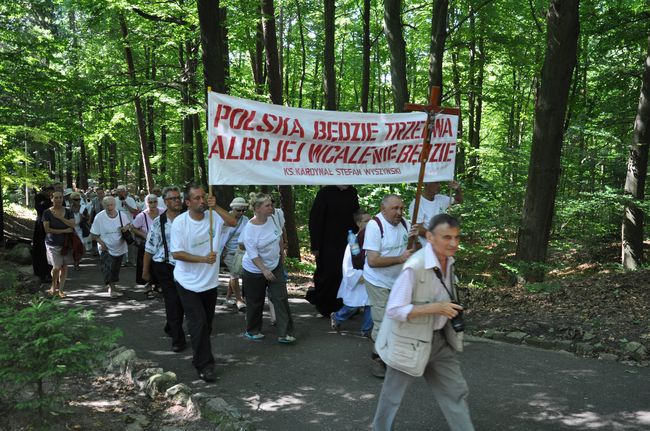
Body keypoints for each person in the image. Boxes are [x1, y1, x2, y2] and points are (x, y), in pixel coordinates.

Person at [372, 214, 474, 431]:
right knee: (392, 397)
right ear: (430, 237)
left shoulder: (449, 261)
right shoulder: (415, 266)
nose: (453, 243)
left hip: (439, 340)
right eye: (447, 237)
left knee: (455, 392)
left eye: (457, 237)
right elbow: (394, 310)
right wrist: (436, 308)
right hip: (408, 342)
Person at [170, 184, 236, 382]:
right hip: (187, 282)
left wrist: (215, 207)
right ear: (188, 202)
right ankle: (205, 366)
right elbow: (176, 253)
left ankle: (199, 354)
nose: (201, 201)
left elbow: (232, 222)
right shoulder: (180, 223)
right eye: (197, 198)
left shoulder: (213, 216)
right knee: (198, 323)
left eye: (203, 197)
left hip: (209, 282)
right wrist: (202, 259)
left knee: (206, 325)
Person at [364, 194, 416, 378]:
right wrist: (399, 259)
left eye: (401, 208)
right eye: (395, 208)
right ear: (383, 208)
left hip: (398, 281)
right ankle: (378, 359)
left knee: (399, 318)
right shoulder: (374, 226)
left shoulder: (405, 224)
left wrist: (415, 240)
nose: (399, 212)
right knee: (383, 319)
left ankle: (393, 353)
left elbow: (412, 251)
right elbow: (372, 261)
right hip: (377, 280)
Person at [240, 193, 295, 344]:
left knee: (280, 297)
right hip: (254, 270)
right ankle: (252, 331)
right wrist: (264, 270)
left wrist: (282, 253)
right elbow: (253, 254)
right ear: (257, 209)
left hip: (275, 265)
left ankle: (285, 333)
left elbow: (278, 237)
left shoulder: (273, 217)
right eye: (267, 205)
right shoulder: (249, 229)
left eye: (271, 204)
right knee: (255, 301)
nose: (272, 207)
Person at [142, 186, 186, 352]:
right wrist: (145, 271)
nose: (177, 201)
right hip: (164, 265)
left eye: (178, 198)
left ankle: (170, 326)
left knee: (182, 300)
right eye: (173, 199)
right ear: (166, 202)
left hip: (186, 266)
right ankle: (177, 339)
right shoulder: (158, 222)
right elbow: (150, 247)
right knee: (172, 300)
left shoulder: (189, 219)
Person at [308, 185, 360, 317]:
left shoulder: (352, 192)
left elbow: (356, 215)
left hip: (348, 240)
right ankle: (325, 307)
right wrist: (315, 246)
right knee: (328, 274)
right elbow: (315, 219)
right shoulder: (325, 193)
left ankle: (346, 306)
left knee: (347, 273)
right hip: (327, 242)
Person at [330, 210, 373, 337]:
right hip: (358, 278)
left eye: (371, 221)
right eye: (367, 221)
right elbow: (349, 263)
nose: (370, 224)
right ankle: (337, 317)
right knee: (352, 306)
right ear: (359, 223)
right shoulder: (353, 241)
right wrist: (358, 276)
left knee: (371, 305)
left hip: (370, 278)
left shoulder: (373, 239)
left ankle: (366, 330)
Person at [90, 196, 131, 298]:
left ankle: (113, 286)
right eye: (107, 205)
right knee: (109, 268)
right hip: (106, 248)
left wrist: (125, 228)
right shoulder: (99, 217)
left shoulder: (122, 215)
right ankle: (111, 289)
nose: (110, 207)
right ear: (103, 206)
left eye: (111, 204)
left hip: (120, 247)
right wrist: (102, 243)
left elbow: (129, 225)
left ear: (115, 204)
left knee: (116, 268)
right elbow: (94, 234)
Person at [42, 190, 76, 297]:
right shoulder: (47, 212)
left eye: (60, 197)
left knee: (64, 267)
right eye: (56, 197)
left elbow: (73, 224)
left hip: (66, 243)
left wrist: (60, 218)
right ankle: (53, 286)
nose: (58, 200)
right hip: (52, 243)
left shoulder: (68, 211)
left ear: (63, 199)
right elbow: (47, 229)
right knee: (56, 267)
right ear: (51, 199)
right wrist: (64, 230)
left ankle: (60, 290)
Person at [409, 181, 463, 246]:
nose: (439, 185)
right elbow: (418, 228)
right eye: (436, 183)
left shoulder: (440, 198)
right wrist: (437, 237)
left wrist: (457, 189)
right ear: (426, 184)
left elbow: (459, 200)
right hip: (427, 248)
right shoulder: (417, 203)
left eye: (439, 183)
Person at [220, 197, 249, 312]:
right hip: (229, 252)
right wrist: (220, 251)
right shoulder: (225, 218)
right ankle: (239, 299)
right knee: (235, 274)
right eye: (239, 210)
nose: (241, 213)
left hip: (242, 251)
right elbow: (220, 236)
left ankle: (228, 298)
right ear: (232, 208)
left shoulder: (246, 219)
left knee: (235, 273)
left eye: (243, 210)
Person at [133, 194, 165, 288]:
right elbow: (133, 228)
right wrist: (144, 235)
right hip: (147, 245)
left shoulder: (163, 212)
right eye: (150, 202)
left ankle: (157, 284)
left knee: (159, 264)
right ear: (146, 203)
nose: (153, 204)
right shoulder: (142, 216)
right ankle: (148, 285)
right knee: (147, 265)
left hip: (161, 244)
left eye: (155, 201)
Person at [32, 185, 54, 283]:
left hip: (49, 224)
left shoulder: (50, 199)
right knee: (41, 249)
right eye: (49, 192)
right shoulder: (40, 198)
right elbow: (40, 209)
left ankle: (49, 273)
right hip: (41, 226)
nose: (50, 194)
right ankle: (42, 273)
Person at [115, 185, 139, 266]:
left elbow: (135, 212)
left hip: (129, 225)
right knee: (120, 243)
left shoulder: (130, 200)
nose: (120, 193)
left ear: (125, 192)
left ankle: (132, 260)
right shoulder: (114, 200)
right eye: (118, 191)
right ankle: (123, 261)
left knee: (131, 243)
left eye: (122, 191)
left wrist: (127, 205)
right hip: (118, 226)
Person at [68, 192, 91, 268]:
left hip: (81, 229)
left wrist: (84, 218)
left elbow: (88, 217)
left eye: (79, 199)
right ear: (71, 200)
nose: (77, 201)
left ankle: (77, 260)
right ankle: (76, 261)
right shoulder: (68, 209)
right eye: (75, 199)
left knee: (80, 245)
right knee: (74, 246)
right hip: (71, 229)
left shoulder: (83, 208)